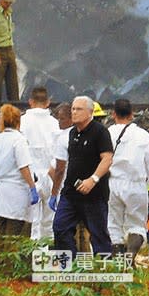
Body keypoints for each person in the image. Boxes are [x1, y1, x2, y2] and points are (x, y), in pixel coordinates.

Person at [52, 96, 113, 257]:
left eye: (78, 109)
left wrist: (93, 179)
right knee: (60, 227)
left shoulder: (100, 132)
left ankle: (104, 271)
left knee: (98, 234)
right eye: (73, 108)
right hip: (71, 193)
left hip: (93, 194)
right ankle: (69, 265)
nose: (74, 112)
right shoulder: (72, 133)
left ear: (90, 112)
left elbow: (107, 159)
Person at [107, 99, 149, 260]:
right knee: (136, 224)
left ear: (113, 114)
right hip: (136, 185)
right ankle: (130, 256)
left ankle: (119, 262)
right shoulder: (143, 136)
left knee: (113, 224)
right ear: (132, 114)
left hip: (111, 184)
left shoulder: (107, 133)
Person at [0, 104, 38, 236]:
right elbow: (23, 166)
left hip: (0, 193)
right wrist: (32, 187)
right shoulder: (18, 140)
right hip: (16, 193)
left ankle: (1, 258)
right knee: (15, 235)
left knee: (2, 233)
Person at [49, 103, 92, 253]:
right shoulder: (88, 134)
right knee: (85, 229)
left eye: (61, 119)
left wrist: (54, 193)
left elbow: (57, 170)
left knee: (63, 228)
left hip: (67, 191)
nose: (59, 122)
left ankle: (70, 262)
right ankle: (86, 262)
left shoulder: (63, 138)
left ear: (70, 119)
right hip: (86, 188)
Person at [20, 86, 59, 240]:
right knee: (50, 222)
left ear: (30, 101)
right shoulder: (54, 123)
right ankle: (49, 260)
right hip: (51, 174)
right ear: (48, 102)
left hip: (31, 176)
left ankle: (35, 259)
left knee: (34, 222)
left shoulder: (22, 122)